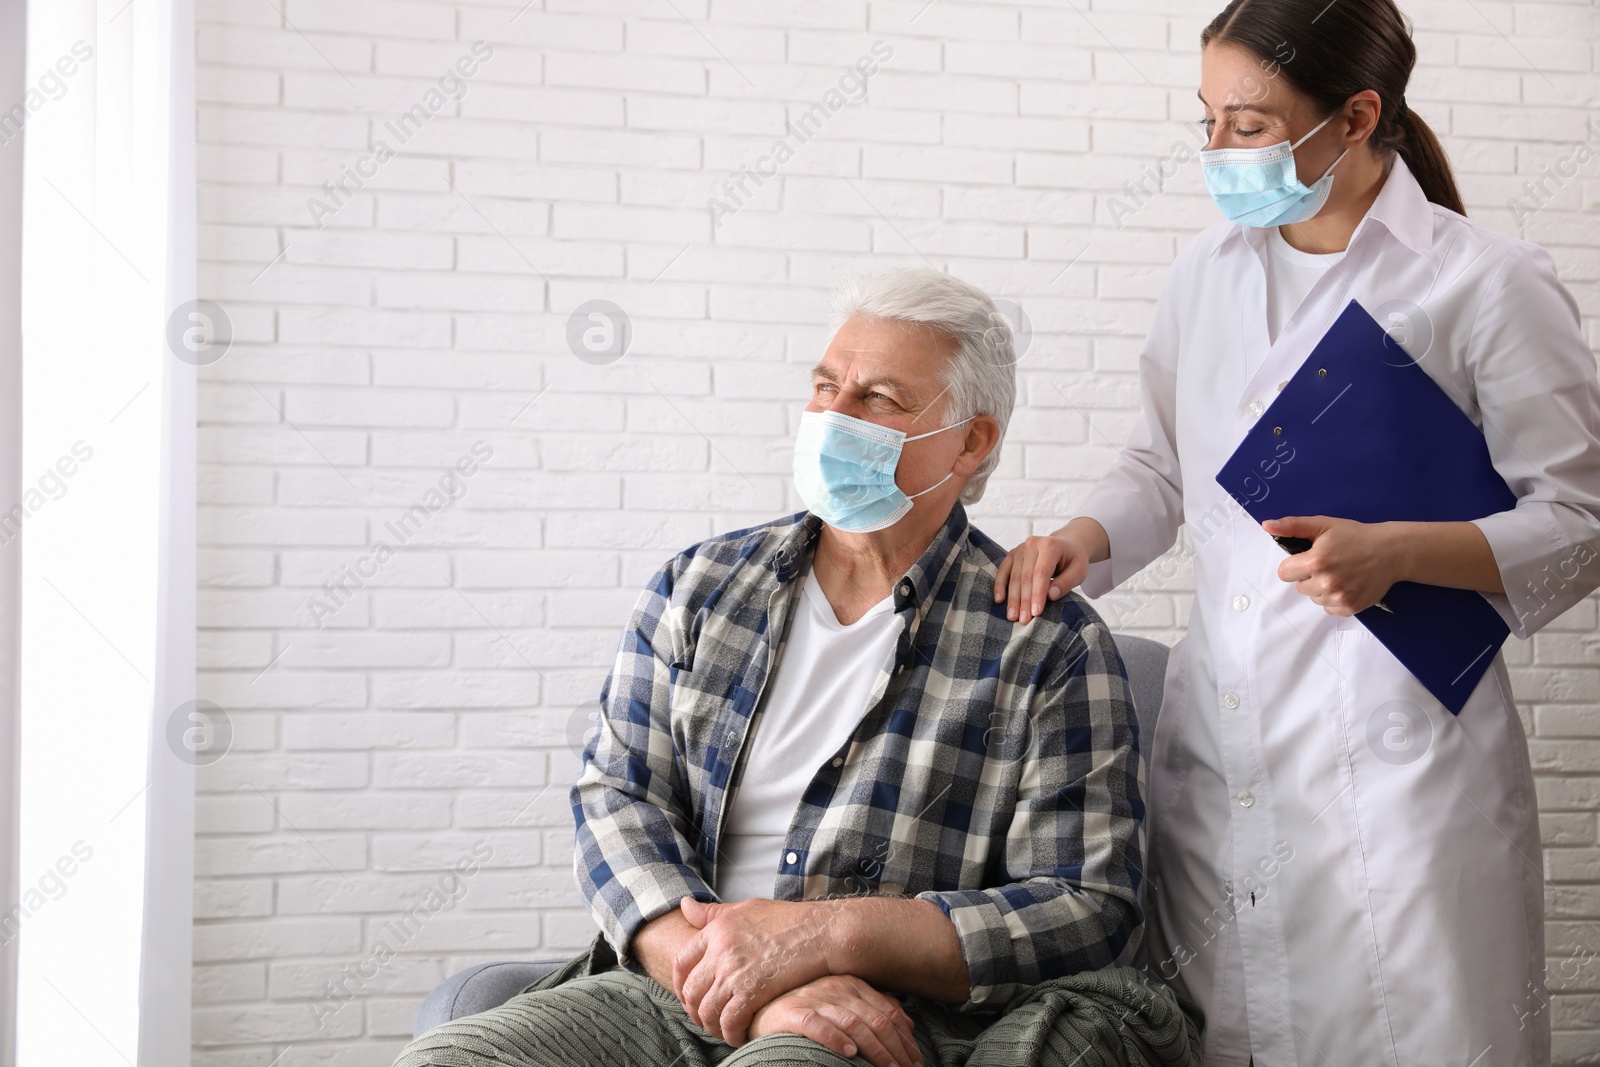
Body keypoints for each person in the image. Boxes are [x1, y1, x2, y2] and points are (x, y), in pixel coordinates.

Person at [393, 268, 1202, 1067]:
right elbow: (617, 796)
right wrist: (733, 976)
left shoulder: (1049, 645)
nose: (833, 415)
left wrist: (831, 936)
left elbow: (1084, 904)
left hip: (879, 1014)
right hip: (673, 987)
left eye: (878, 398)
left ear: (972, 441)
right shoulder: (699, 587)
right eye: (825, 387)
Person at [994, 2, 1600, 1065]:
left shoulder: (1483, 281)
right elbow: (1160, 465)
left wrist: (1398, 551)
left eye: (1248, 124)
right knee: (1231, 1030)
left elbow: (1580, 521)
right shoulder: (1206, 274)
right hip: (1226, 750)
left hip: (1403, 759)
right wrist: (1084, 537)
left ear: (1357, 115)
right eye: (1208, 121)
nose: (1218, 151)